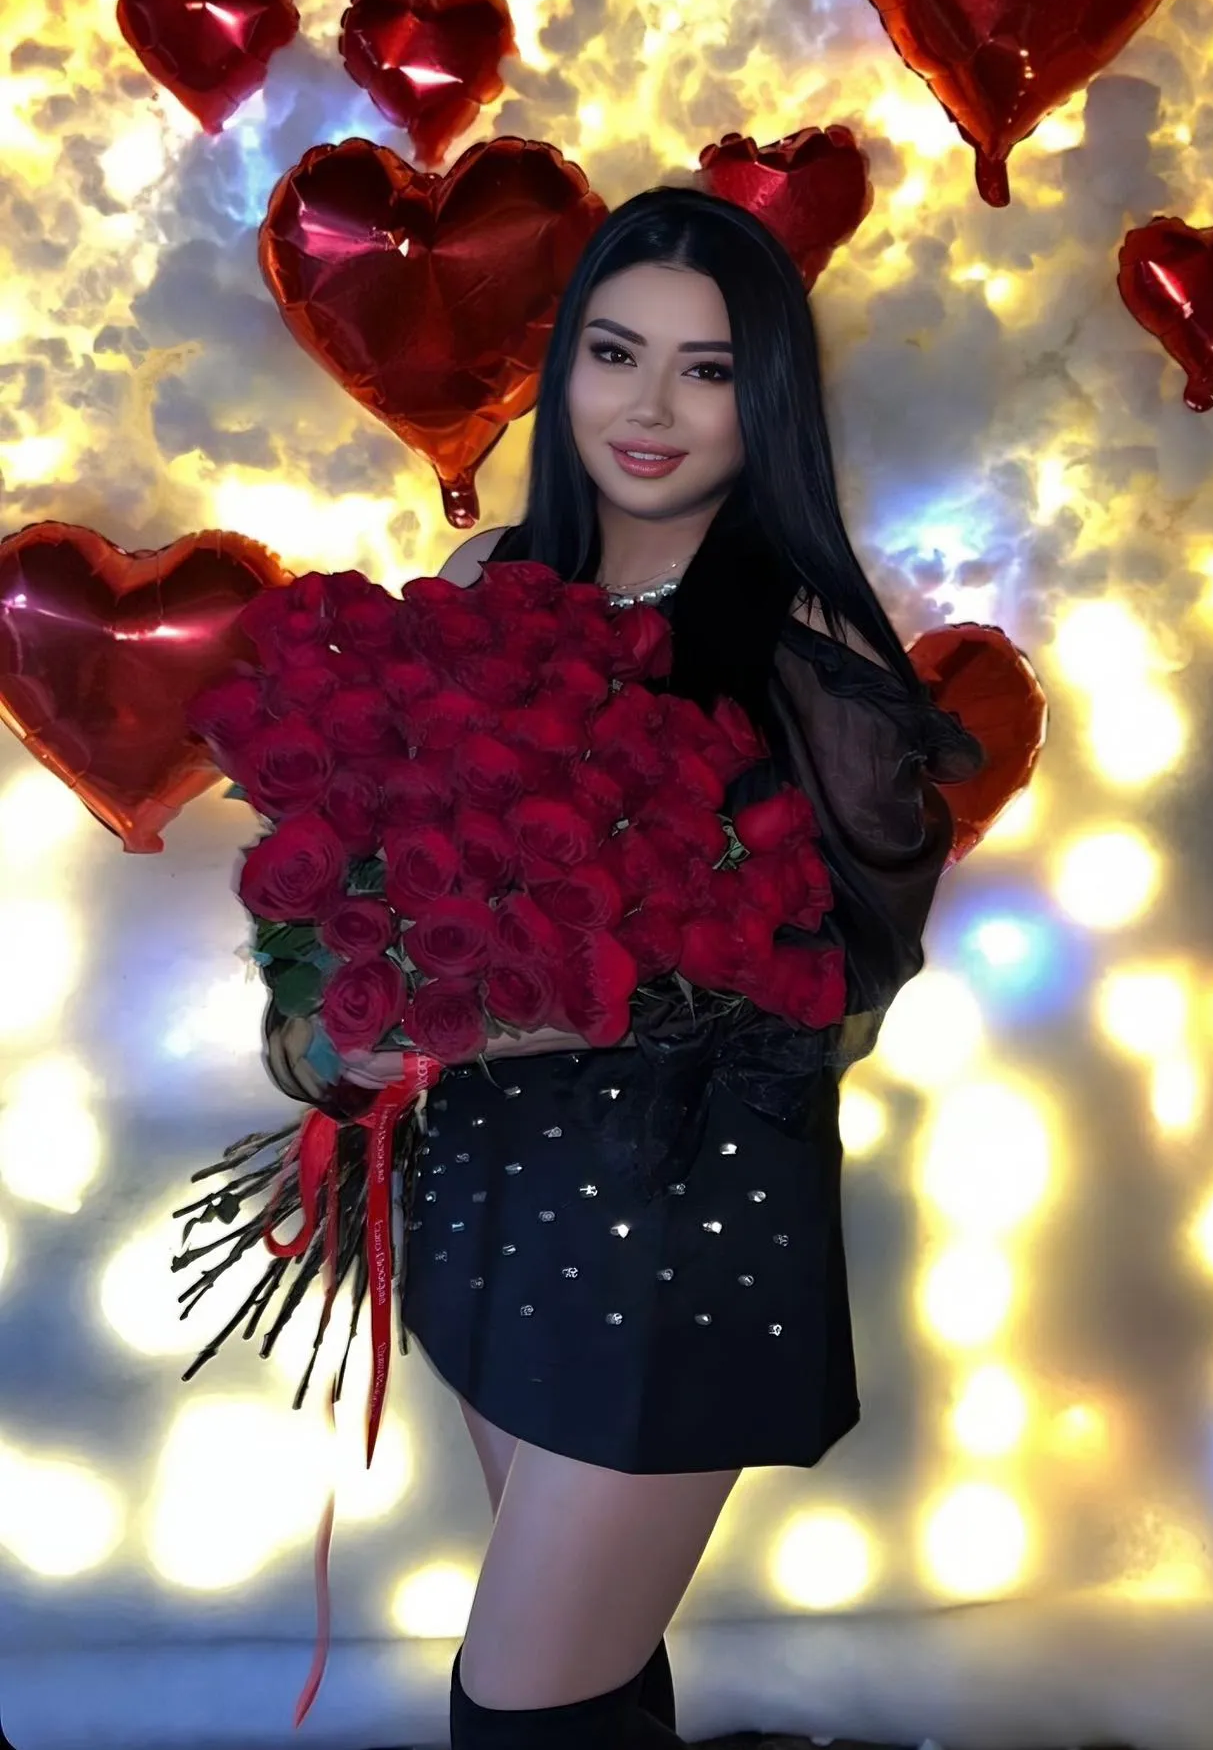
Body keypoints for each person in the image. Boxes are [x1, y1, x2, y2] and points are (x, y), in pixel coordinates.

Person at [261, 186, 986, 1748]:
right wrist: (338, 1032)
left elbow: (834, 1000)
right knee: (591, 1672)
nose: (650, 407)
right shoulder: (485, 583)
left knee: (522, 1702)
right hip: (488, 1198)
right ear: (567, 366)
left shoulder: (805, 647)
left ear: (763, 396)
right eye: (615, 352)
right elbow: (357, 901)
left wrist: (522, 1014)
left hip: (683, 1224)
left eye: (706, 369)